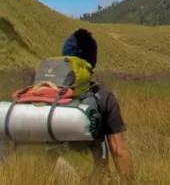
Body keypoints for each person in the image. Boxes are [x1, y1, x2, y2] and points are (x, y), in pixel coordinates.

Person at [12, 29, 134, 181]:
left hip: (38, 176)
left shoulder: (36, 90)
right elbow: (118, 150)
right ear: (91, 62)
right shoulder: (102, 95)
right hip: (87, 178)